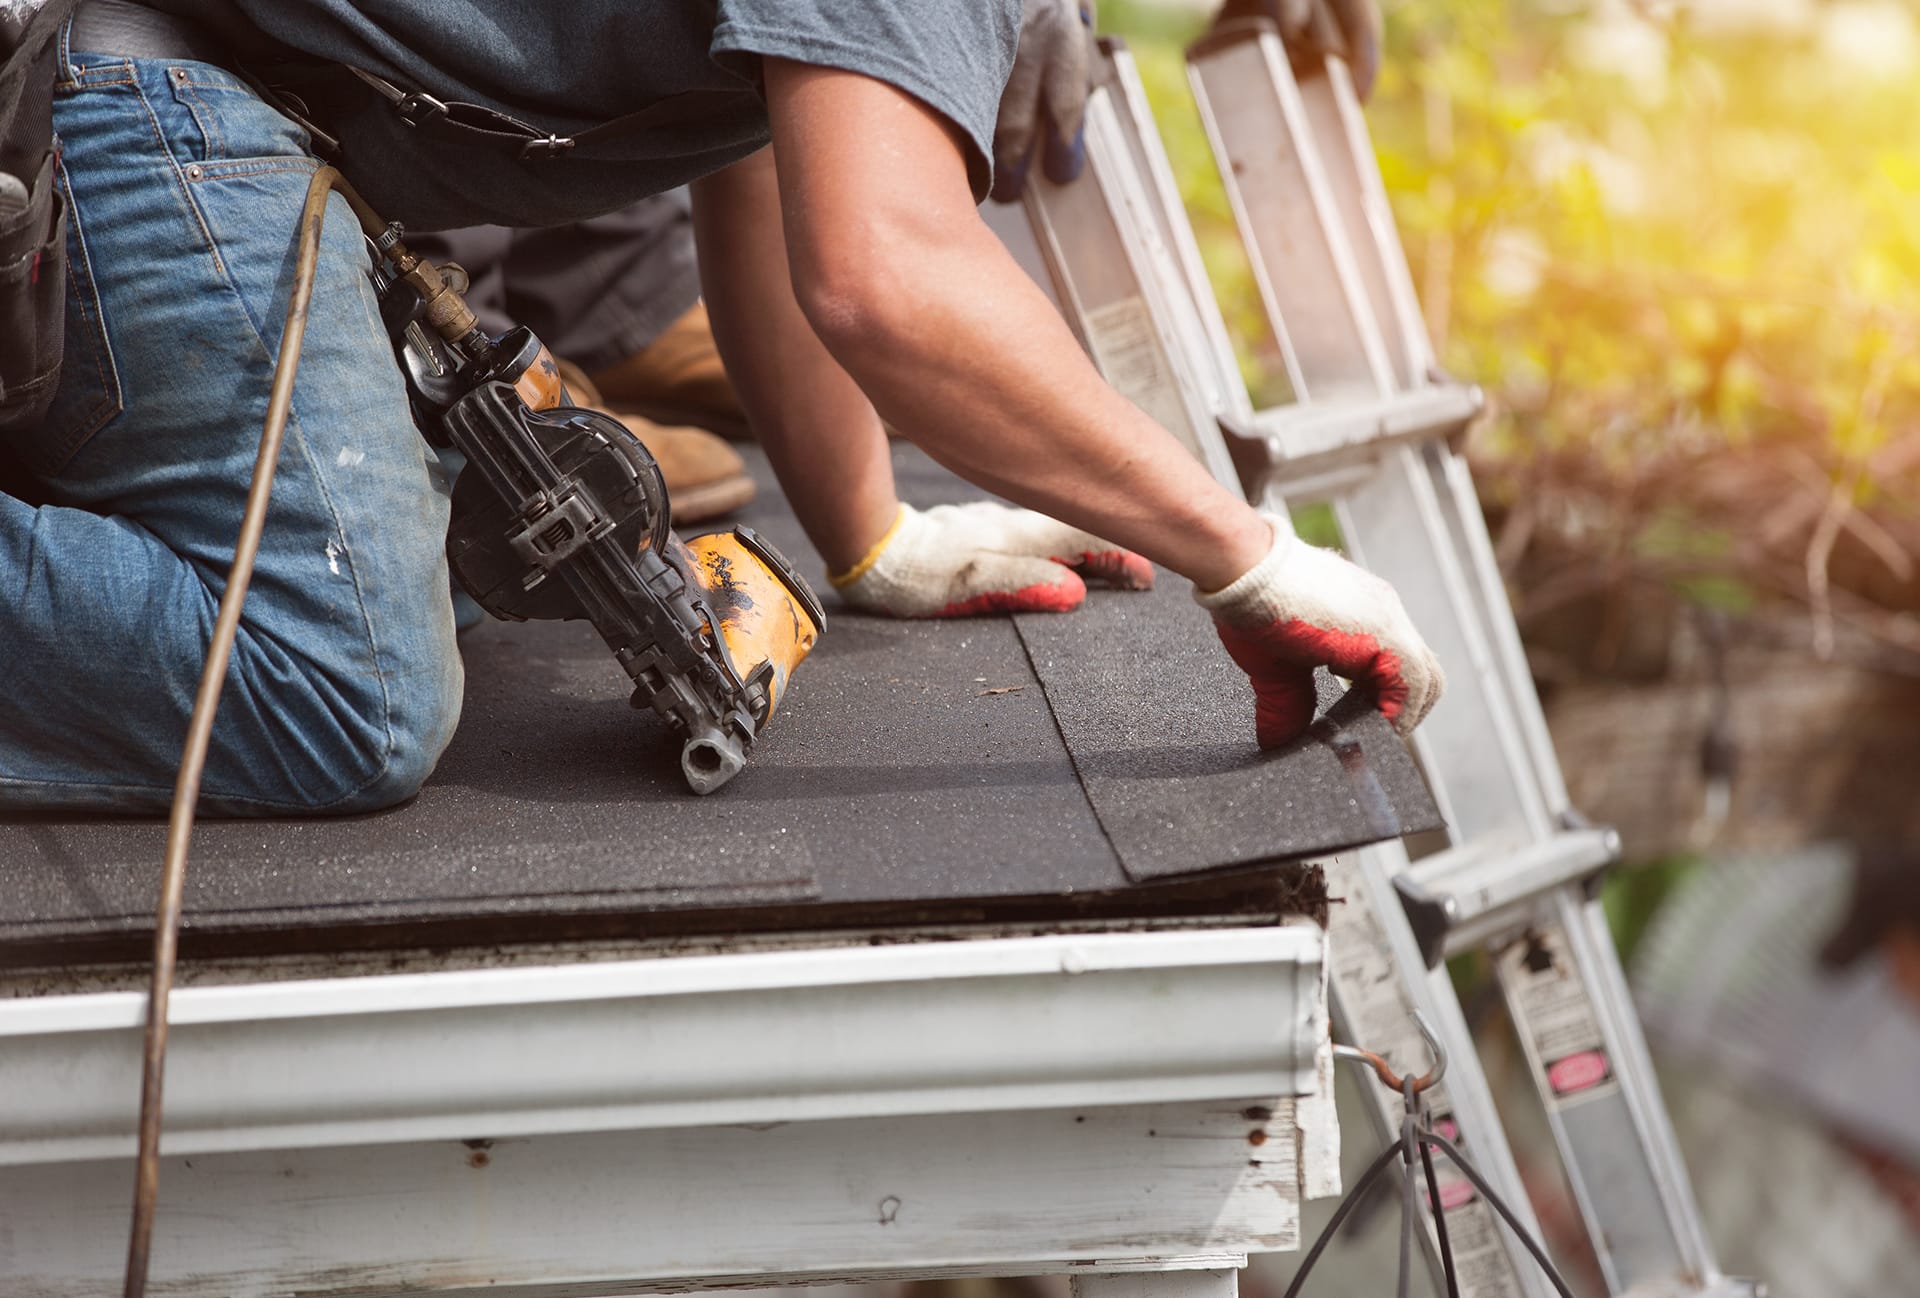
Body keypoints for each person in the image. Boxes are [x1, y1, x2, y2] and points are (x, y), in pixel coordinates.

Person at [0, 0, 1438, 815]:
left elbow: (756, 146)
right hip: (111, 72)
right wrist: (1246, 556)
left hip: (203, 77)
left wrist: (867, 531)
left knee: (466, 580)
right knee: (346, 686)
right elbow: (883, 276)